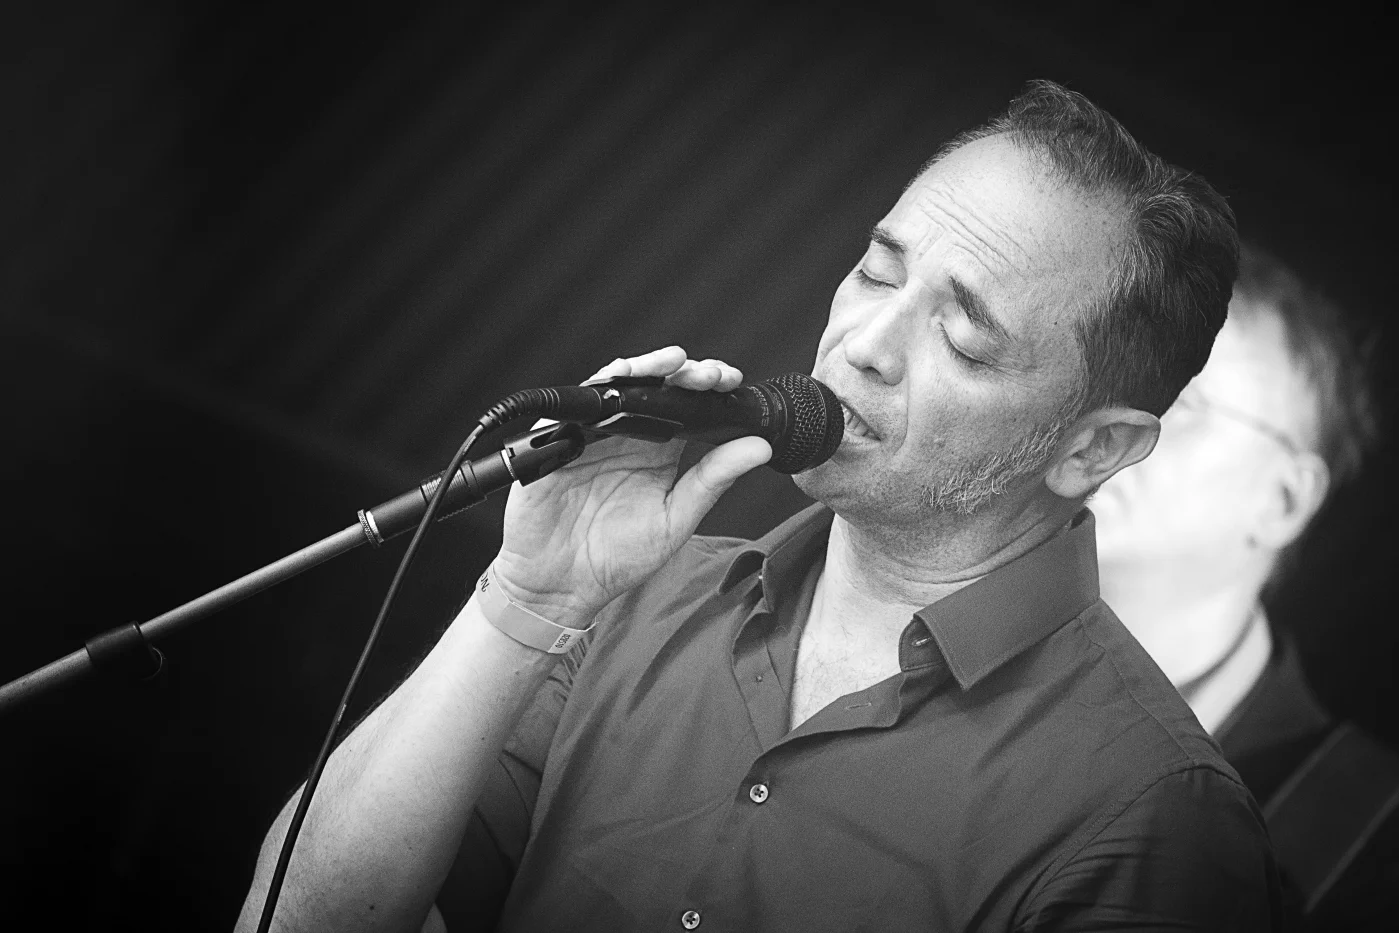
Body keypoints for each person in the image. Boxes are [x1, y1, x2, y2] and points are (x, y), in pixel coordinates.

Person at [237, 81, 1282, 932]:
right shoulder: (639, 602)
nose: (864, 344)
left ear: (1092, 448)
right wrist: (525, 601)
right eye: (876, 272)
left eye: (962, 340)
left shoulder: (1150, 812)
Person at [1093, 243, 1396, 930]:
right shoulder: (907, 672)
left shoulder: (1366, 842)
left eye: (1182, 398)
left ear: (1282, 501)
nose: (1109, 414)